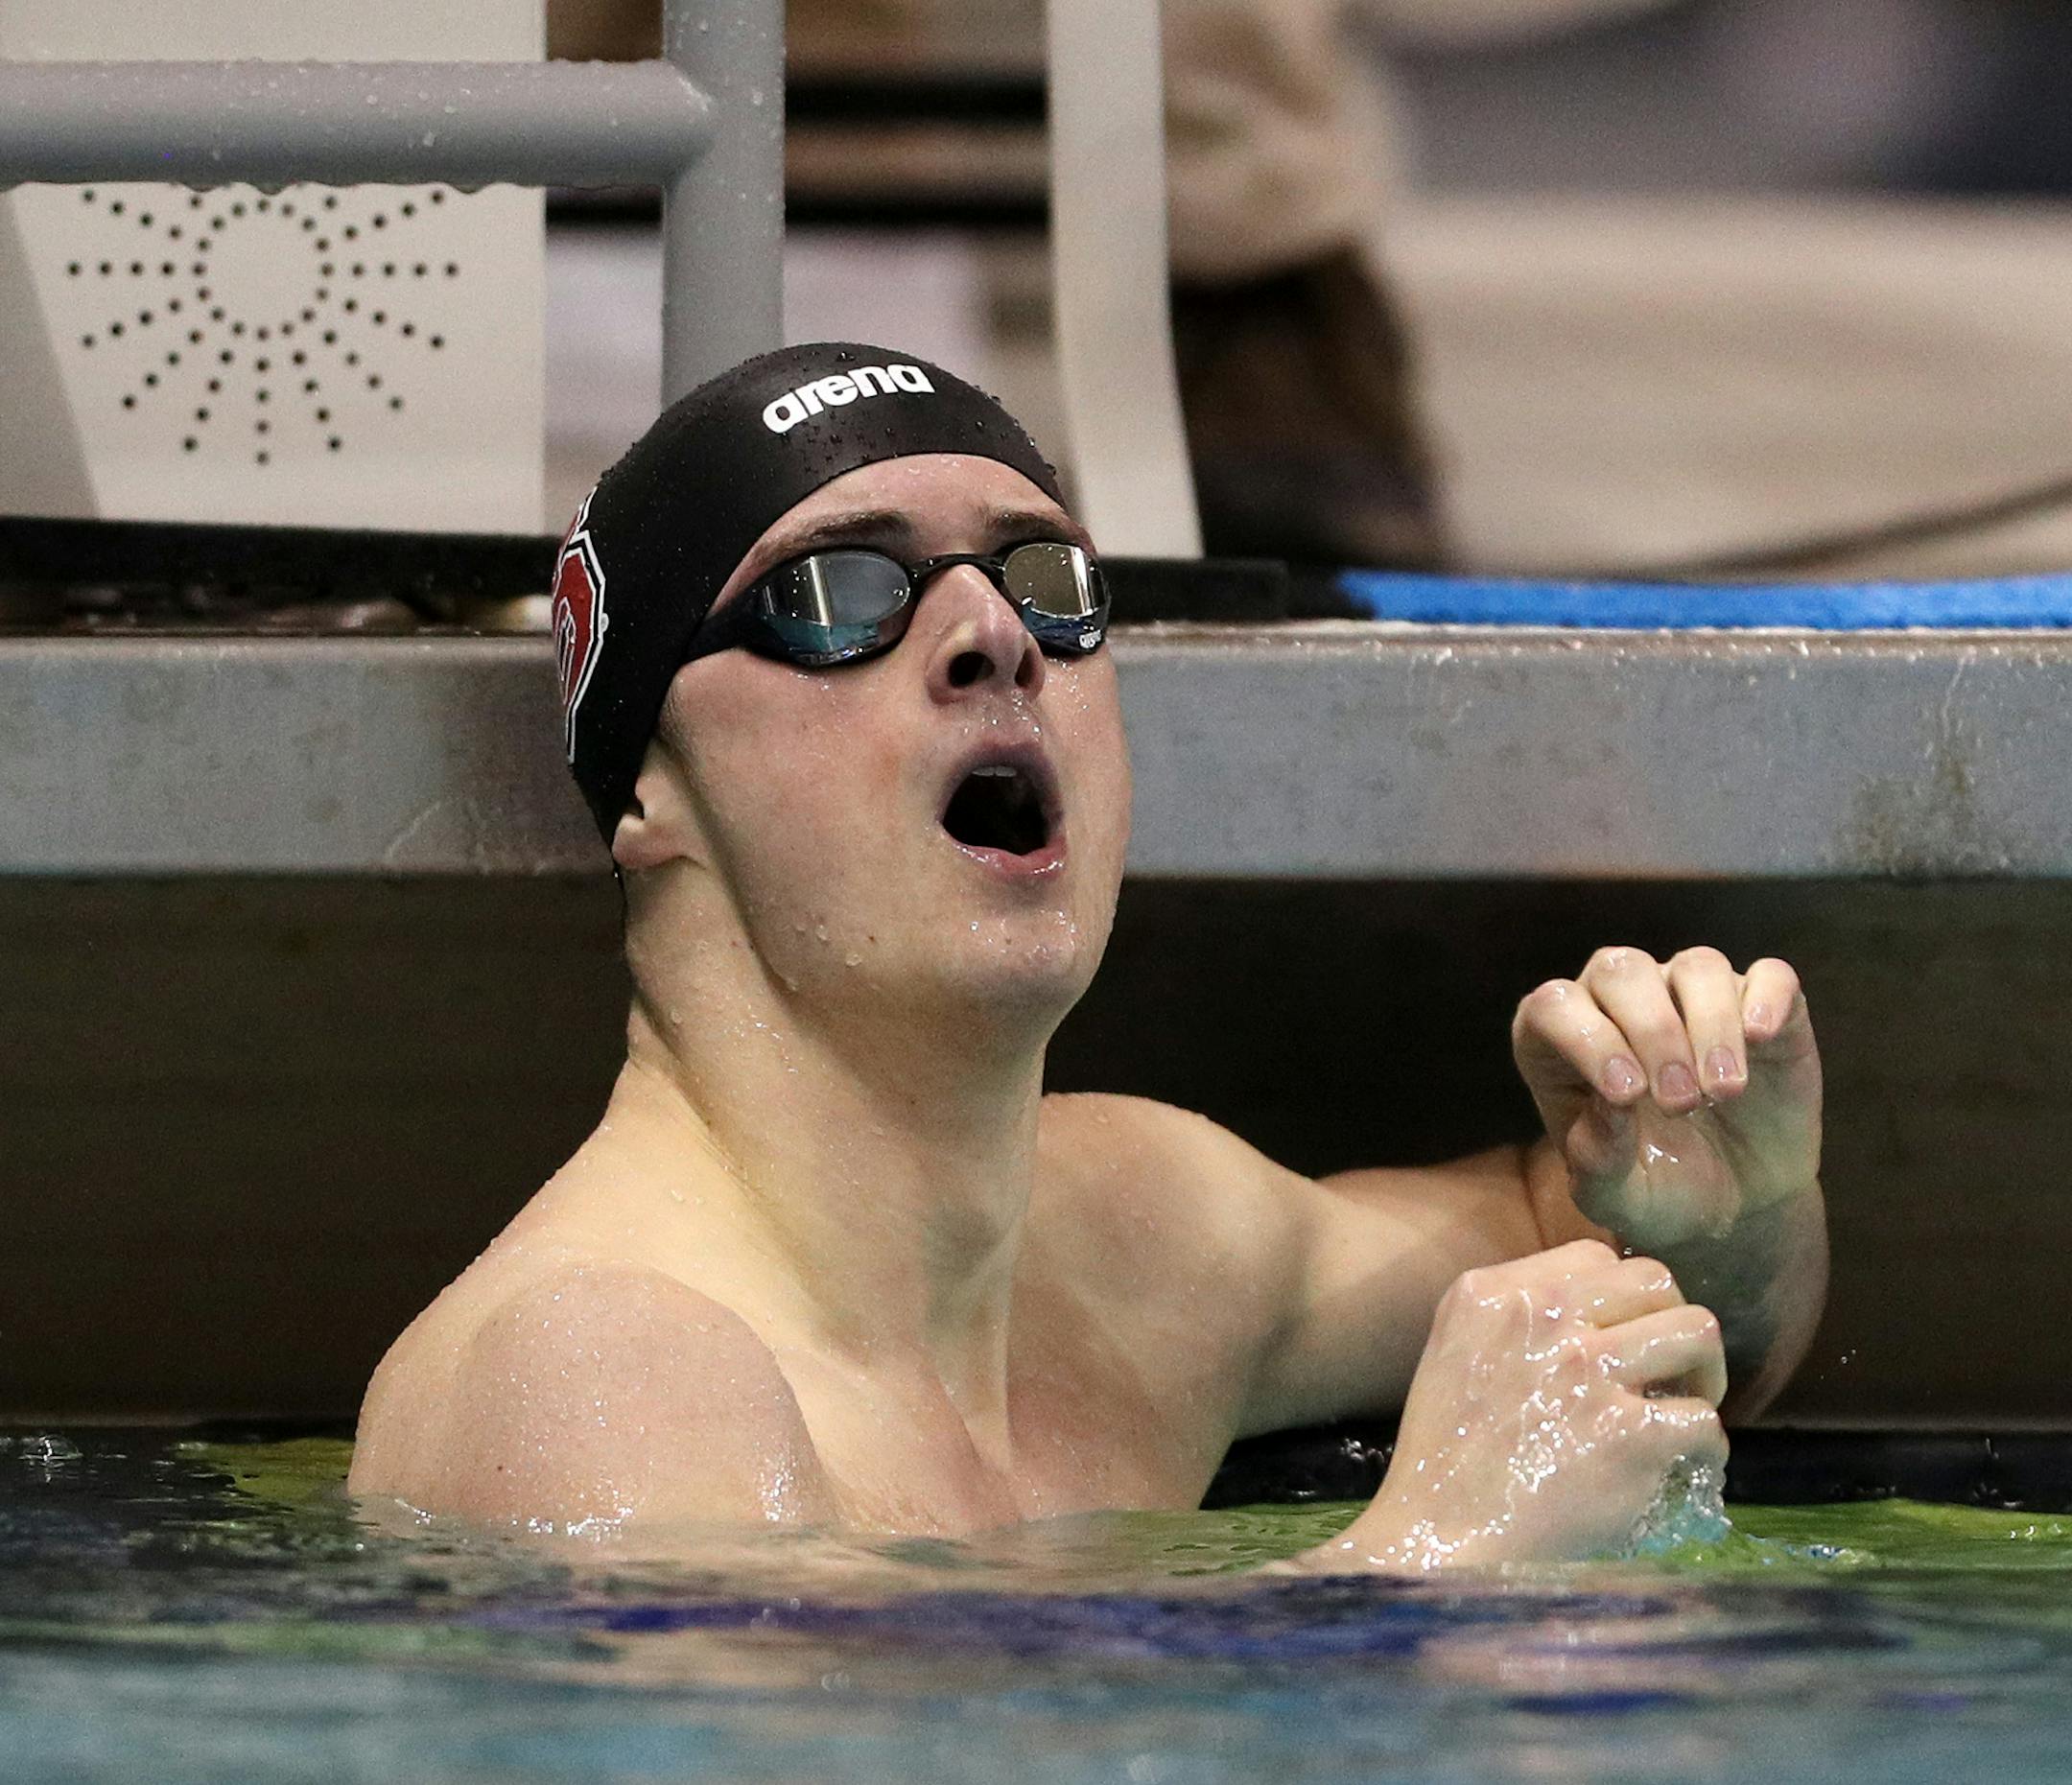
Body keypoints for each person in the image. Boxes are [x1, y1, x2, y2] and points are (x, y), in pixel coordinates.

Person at [348, 343, 1827, 1571]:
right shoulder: (603, 1372)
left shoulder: (1144, 1239)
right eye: (836, 593)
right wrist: (1422, 1561)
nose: (992, 631)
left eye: (1045, 573)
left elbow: (1630, 1293)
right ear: (650, 789)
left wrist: (1733, 1219)